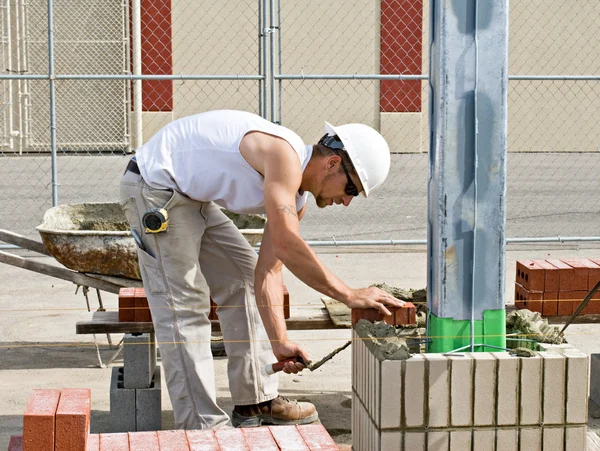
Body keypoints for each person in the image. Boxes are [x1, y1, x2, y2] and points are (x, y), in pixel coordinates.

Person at [119, 109, 405, 430]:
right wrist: (349, 295)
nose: (348, 201)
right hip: (155, 188)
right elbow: (287, 244)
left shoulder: (297, 200)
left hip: (191, 197)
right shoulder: (285, 156)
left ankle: (255, 401)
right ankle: (202, 430)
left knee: (242, 275)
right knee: (183, 309)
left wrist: (279, 341)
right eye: (352, 189)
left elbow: (268, 273)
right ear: (333, 163)